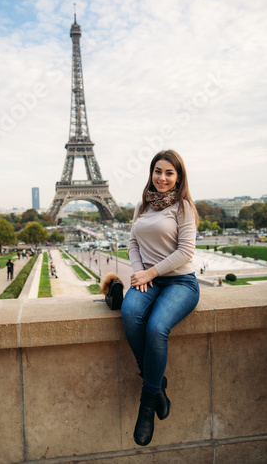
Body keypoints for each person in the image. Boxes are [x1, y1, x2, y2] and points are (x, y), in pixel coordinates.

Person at [121, 149, 200, 447]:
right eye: (158, 171)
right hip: (150, 280)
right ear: (151, 173)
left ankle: (147, 405)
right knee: (129, 315)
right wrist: (140, 271)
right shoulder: (142, 204)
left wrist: (149, 273)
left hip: (180, 282)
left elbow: (186, 253)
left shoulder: (184, 208)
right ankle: (157, 385)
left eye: (169, 173)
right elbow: (132, 241)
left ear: (178, 177)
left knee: (156, 328)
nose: (162, 178)